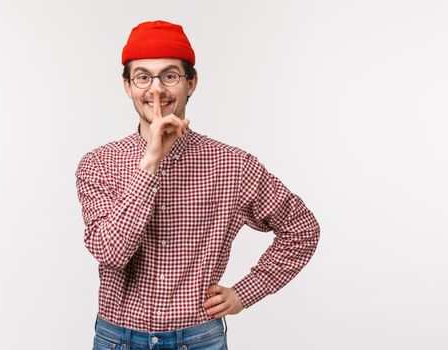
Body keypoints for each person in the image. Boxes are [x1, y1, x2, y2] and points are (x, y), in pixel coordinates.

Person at [75, 20, 320, 350]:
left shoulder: (233, 165)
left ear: (191, 83)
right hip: (117, 339)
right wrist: (150, 164)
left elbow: (302, 229)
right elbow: (111, 253)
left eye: (170, 76)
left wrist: (245, 292)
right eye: (143, 77)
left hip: (198, 340)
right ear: (128, 87)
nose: (156, 89)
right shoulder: (99, 164)